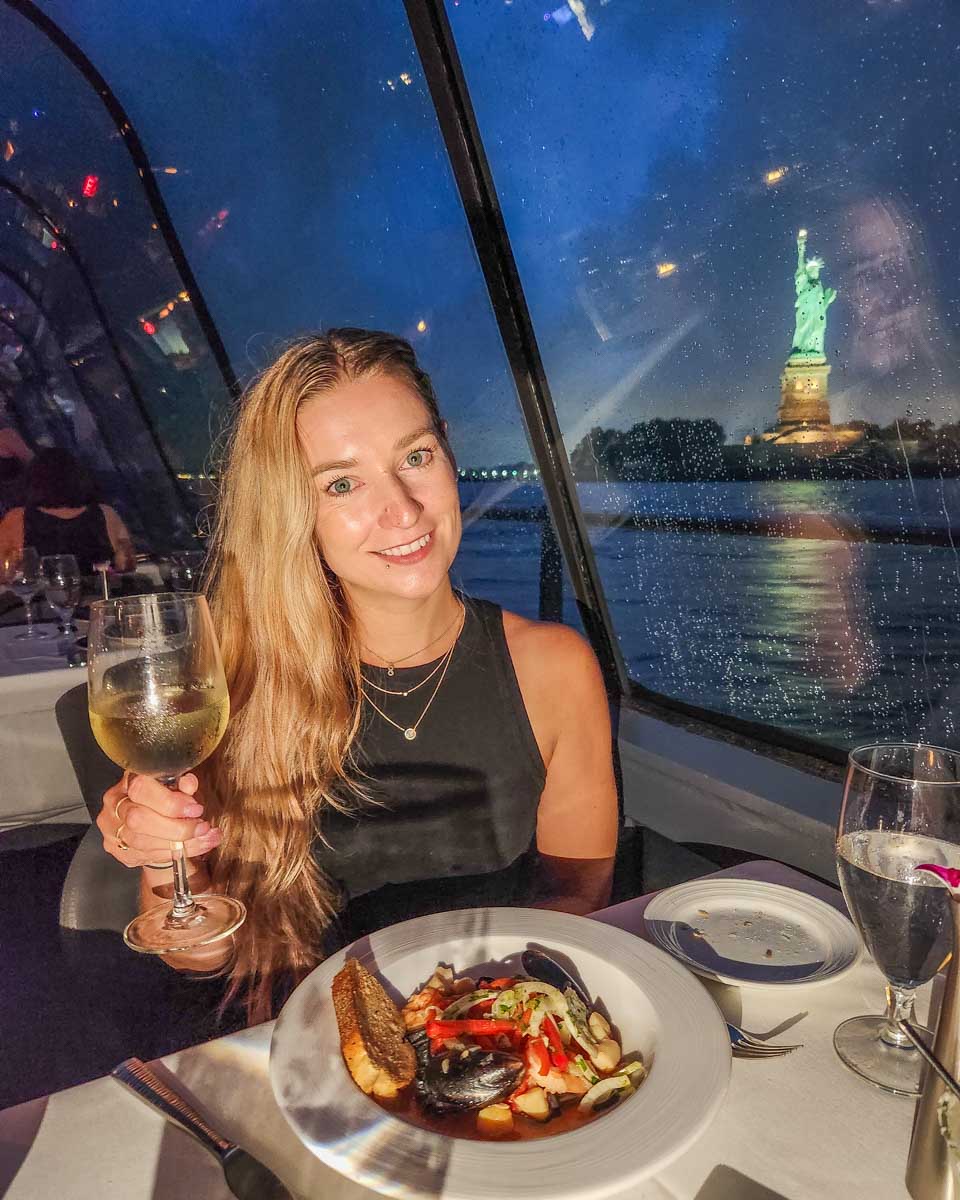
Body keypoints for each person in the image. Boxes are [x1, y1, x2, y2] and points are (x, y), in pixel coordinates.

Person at [96, 329, 619, 1023]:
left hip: (495, 1033)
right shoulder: (230, 685)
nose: (403, 509)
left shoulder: (556, 668)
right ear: (291, 513)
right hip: (301, 1047)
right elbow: (199, 958)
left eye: (416, 456)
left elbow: (579, 898)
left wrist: (469, 1019)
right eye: (342, 483)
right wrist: (164, 860)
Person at [0, 447, 136, 574]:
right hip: (101, 595)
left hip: (42, 598)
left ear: (32, 482)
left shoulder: (17, 519)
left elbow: (3, 572)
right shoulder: (107, 514)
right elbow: (127, 564)